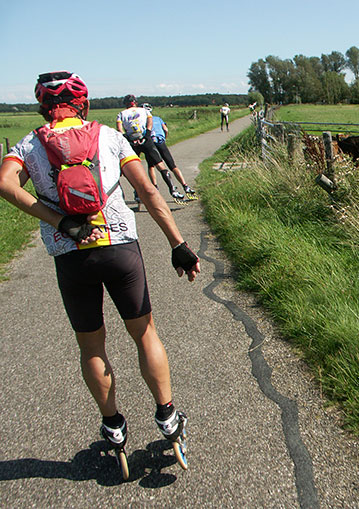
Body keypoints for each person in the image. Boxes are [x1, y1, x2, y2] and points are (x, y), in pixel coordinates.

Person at [0, 71, 200, 461]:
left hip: (71, 253)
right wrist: (178, 243)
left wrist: (61, 222)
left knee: (91, 345)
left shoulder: (29, 145)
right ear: (85, 105)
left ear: (44, 109)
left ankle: (113, 426)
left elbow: (6, 183)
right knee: (145, 335)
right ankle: (168, 417)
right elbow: (147, 190)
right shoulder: (109, 136)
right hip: (120, 247)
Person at [116, 95, 185, 201]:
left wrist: (127, 138)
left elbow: (120, 128)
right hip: (146, 140)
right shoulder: (144, 111)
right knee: (160, 165)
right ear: (135, 102)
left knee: (134, 168)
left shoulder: (121, 114)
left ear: (125, 104)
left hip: (132, 141)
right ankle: (172, 189)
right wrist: (147, 134)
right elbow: (150, 121)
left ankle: (137, 193)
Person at [141, 103, 196, 200]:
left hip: (150, 144)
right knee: (172, 166)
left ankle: (155, 187)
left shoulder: (142, 121)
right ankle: (185, 185)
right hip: (161, 142)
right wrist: (164, 139)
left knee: (151, 166)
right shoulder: (158, 118)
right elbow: (166, 129)